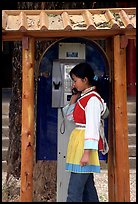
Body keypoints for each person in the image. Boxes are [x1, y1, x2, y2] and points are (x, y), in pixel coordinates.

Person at [63, 62, 108, 202]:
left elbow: (92, 127)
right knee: (88, 191)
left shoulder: (93, 100)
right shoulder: (84, 97)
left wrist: (86, 153)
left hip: (83, 148)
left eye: (75, 81)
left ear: (85, 80)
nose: (74, 84)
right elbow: (70, 116)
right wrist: (74, 96)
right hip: (79, 146)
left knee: (74, 192)